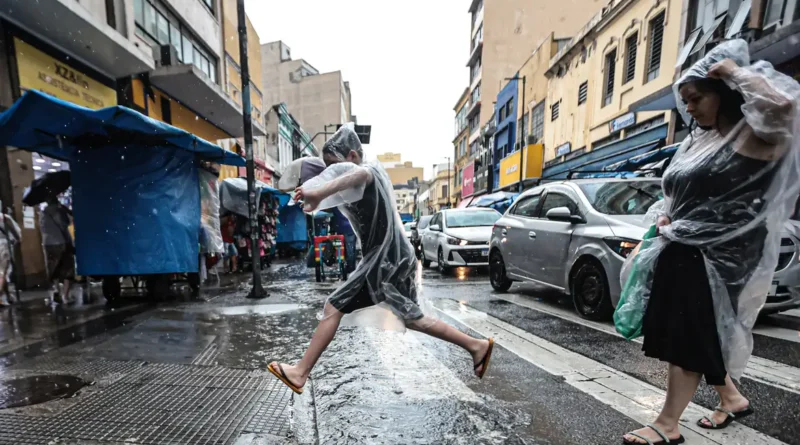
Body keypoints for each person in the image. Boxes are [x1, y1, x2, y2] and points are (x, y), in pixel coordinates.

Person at [622, 40, 800, 444]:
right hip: (683, 247)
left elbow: (785, 110)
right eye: (684, 101)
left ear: (723, 93)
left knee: (689, 333)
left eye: (696, 97)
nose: (689, 107)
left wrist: (734, 72)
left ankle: (668, 424)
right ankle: (731, 398)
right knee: (696, 331)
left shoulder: (755, 135)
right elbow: (679, 190)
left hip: (721, 254)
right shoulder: (700, 140)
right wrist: (668, 217)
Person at [267, 124, 495, 394]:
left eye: (335, 166)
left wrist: (319, 192)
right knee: (412, 317)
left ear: (352, 155)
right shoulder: (353, 181)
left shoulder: (369, 171)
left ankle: (300, 372)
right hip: (392, 258)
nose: (332, 172)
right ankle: (476, 346)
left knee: (333, 306)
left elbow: (359, 175)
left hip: (385, 259)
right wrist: (316, 191)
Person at [40, 195, 75, 305]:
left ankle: (56, 290)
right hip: (61, 242)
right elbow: (65, 224)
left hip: (47, 243)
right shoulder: (59, 211)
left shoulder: (42, 213)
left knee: (54, 268)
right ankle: (65, 296)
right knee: (68, 268)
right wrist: (66, 210)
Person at [0, 206, 21, 307]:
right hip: (4, 246)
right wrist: (17, 239)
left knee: (2, 273)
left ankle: (8, 296)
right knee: (3, 272)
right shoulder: (5, 218)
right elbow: (15, 232)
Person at [330, 207, 357, 273]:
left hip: (340, 227)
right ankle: (351, 267)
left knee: (342, 248)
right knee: (351, 249)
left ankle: (348, 267)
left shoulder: (335, 203)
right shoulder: (347, 201)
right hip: (350, 227)